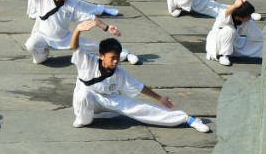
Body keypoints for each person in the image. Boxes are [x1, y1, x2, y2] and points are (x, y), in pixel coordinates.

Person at [68, 23, 210, 132]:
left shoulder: (120, 73)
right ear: (101, 56)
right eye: (112, 58)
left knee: (141, 108)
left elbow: (139, 86)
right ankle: (85, 119)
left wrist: (159, 98)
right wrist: (78, 30)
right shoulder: (88, 61)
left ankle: (187, 119)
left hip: (110, 99)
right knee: (83, 94)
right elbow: (74, 47)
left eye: (118, 58)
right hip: (87, 101)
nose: (116, 61)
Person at [25, 0, 132, 65]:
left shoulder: (72, 5)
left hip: (65, 38)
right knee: (31, 45)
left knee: (94, 46)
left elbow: (91, 18)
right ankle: (42, 55)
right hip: (43, 37)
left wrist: (107, 27)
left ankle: (124, 55)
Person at [205, 0, 263, 66]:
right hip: (217, 46)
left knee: (262, 44)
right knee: (229, 30)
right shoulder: (224, 17)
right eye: (248, 15)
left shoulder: (247, 22)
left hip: (233, 44)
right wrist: (235, 5)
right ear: (239, 17)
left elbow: (259, 35)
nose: (250, 17)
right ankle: (223, 56)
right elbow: (226, 12)